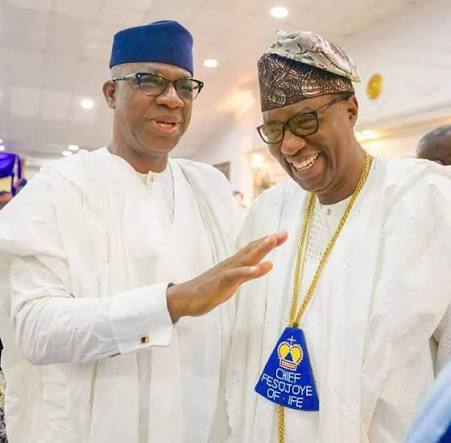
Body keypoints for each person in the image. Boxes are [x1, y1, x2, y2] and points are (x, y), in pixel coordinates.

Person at [0, 20, 286, 443]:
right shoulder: (60, 189)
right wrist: (170, 303)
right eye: (149, 81)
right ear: (111, 93)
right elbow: (36, 330)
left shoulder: (208, 190)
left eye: (185, 86)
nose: (172, 99)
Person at [224, 30, 451, 442]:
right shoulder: (268, 212)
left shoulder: (426, 200)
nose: (290, 145)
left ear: (350, 110)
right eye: (274, 130)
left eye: (305, 120)